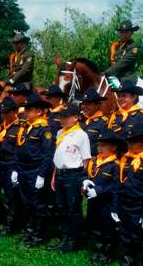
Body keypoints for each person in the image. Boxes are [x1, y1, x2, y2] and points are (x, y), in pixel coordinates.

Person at [111, 120, 143, 266]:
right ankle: (126, 262)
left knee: (139, 237)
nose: (129, 145)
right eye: (128, 141)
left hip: (139, 207)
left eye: (134, 142)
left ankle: (140, 262)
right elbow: (117, 184)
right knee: (125, 235)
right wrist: (114, 206)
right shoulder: (124, 159)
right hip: (124, 204)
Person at [47, 103, 92, 253]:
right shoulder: (61, 133)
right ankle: (65, 237)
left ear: (75, 117)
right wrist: (54, 174)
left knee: (74, 209)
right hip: (60, 173)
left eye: (66, 117)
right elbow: (58, 156)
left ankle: (73, 240)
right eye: (61, 116)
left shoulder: (81, 135)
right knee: (62, 208)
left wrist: (83, 180)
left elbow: (86, 160)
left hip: (73, 175)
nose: (62, 119)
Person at [14, 91, 55, 248]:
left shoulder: (44, 129)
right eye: (26, 109)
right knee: (26, 202)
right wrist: (17, 169)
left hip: (36, 170)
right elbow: (19, 148)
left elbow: (47, 155)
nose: (26, 112)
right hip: (23, 169)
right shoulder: (25, 127)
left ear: (39, 111)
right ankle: (29, 231)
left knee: (37, 203)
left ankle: (38, 236)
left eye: (29, 110)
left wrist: (42, 175)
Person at [83, 127, 126, 265]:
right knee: (95, 225)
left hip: (107, 203)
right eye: (98, 145)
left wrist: (100, 190)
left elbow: (117, 186)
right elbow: (88, 176)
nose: (99, 148)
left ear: (114, 147)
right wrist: (84, 183)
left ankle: (107, 252)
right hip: (94, 201)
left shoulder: (116, 165)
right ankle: (98, 249)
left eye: (103, 145)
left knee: (107, 228)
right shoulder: (95, 162)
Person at [0, 96, 23, 238]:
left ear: (14, 112)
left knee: (12, 197)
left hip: (12, 164)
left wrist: (16, 169)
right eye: (2, 113)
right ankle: (13, 221)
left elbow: (19, 150)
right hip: (0, 163)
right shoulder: (0, 128)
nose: (4, 115)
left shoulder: (20, 128)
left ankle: (10, 226)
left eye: (7, 112)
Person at [79, 88, 109, 157]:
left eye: (88, 104)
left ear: (98, 105)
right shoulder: (77, 119)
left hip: (92, 160)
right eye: (83, 103)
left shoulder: (104, 123)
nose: (84, 107)